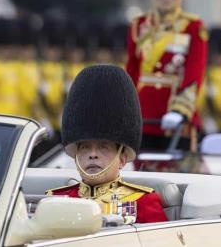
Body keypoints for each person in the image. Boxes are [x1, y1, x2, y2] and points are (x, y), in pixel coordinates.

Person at [45, 65, 167, 223]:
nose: (93, 154)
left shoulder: (142, 202)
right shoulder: (55, 199)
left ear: (122, 159)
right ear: (75, 156)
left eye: (103, 147)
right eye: (85, 147)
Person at [126, 0, 208, 151]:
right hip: (143, 114)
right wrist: (126, 108)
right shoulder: (138, 26)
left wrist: (180, 110)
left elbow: (194, 74)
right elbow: (132, 71)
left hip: (175, 114)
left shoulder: (193, 27)